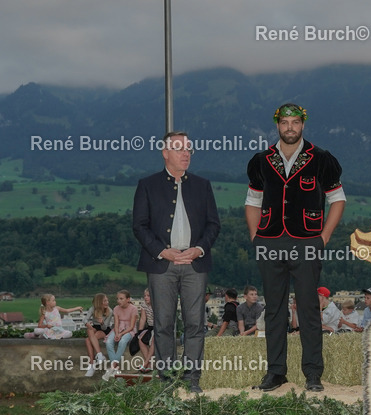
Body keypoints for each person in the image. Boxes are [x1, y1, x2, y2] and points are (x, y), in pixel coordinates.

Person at [245, 103, 346, 393]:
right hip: (270, 241)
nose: (290, 127)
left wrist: (323, 237)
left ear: (303, 124)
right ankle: (275, 373)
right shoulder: (261, 160)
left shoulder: (322, 158)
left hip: (307, 241)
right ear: (277, 125)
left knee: (309, 309)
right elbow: (252, 201)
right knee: (274, 310)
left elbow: (337, 199)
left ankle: (313, 373)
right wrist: (256, 237)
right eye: (285, 122)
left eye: (295, 122)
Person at [132, 131, 221, 393]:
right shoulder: (147, 185)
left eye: (189, 148)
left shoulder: (202, 185)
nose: (186, 153)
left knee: (195, 324)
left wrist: (198, 249)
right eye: (180, 148)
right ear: (165, 153)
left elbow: (213, 224)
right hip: (162, 264)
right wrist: (163, 251)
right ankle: (167, 380)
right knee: (163, 325)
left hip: (195, 264)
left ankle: (192, 380)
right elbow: (139, 226)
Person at [103, 290, 138, 379]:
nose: (119, 301)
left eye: (121, 299)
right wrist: (117, 333)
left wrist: (121, 334)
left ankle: (112, 367)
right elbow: (116, 323)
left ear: (128, 299)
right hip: (118, 328)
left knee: (123, 341)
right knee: (108, 342)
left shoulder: (133, 309)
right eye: (118, 299)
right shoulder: (116, 308)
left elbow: (131, 326)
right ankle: (115, 369)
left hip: (129, 330)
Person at [84, 293, 113, 377]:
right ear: (99, 302)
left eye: (107, 300)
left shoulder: (110, 311)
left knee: (88, 340)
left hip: (105, 329)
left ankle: (91, 366)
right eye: (105, 301)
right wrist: (87, 324)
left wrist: (102, 322)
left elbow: (105, 327)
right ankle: (99, 355)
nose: (107, 302)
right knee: (89, 330)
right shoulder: (93, 309)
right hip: (95, 327)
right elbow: (85, 319)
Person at [129, 288, 156, 370]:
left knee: (154, 340)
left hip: (158, 327)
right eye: (145, 296)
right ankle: (149, 364)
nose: (146, 297)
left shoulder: (157, 305)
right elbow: (143, 319)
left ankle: (145, 363)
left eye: (148, 296)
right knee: (140, 339)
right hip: (150, 327)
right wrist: (140, 331)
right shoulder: (144, 305)